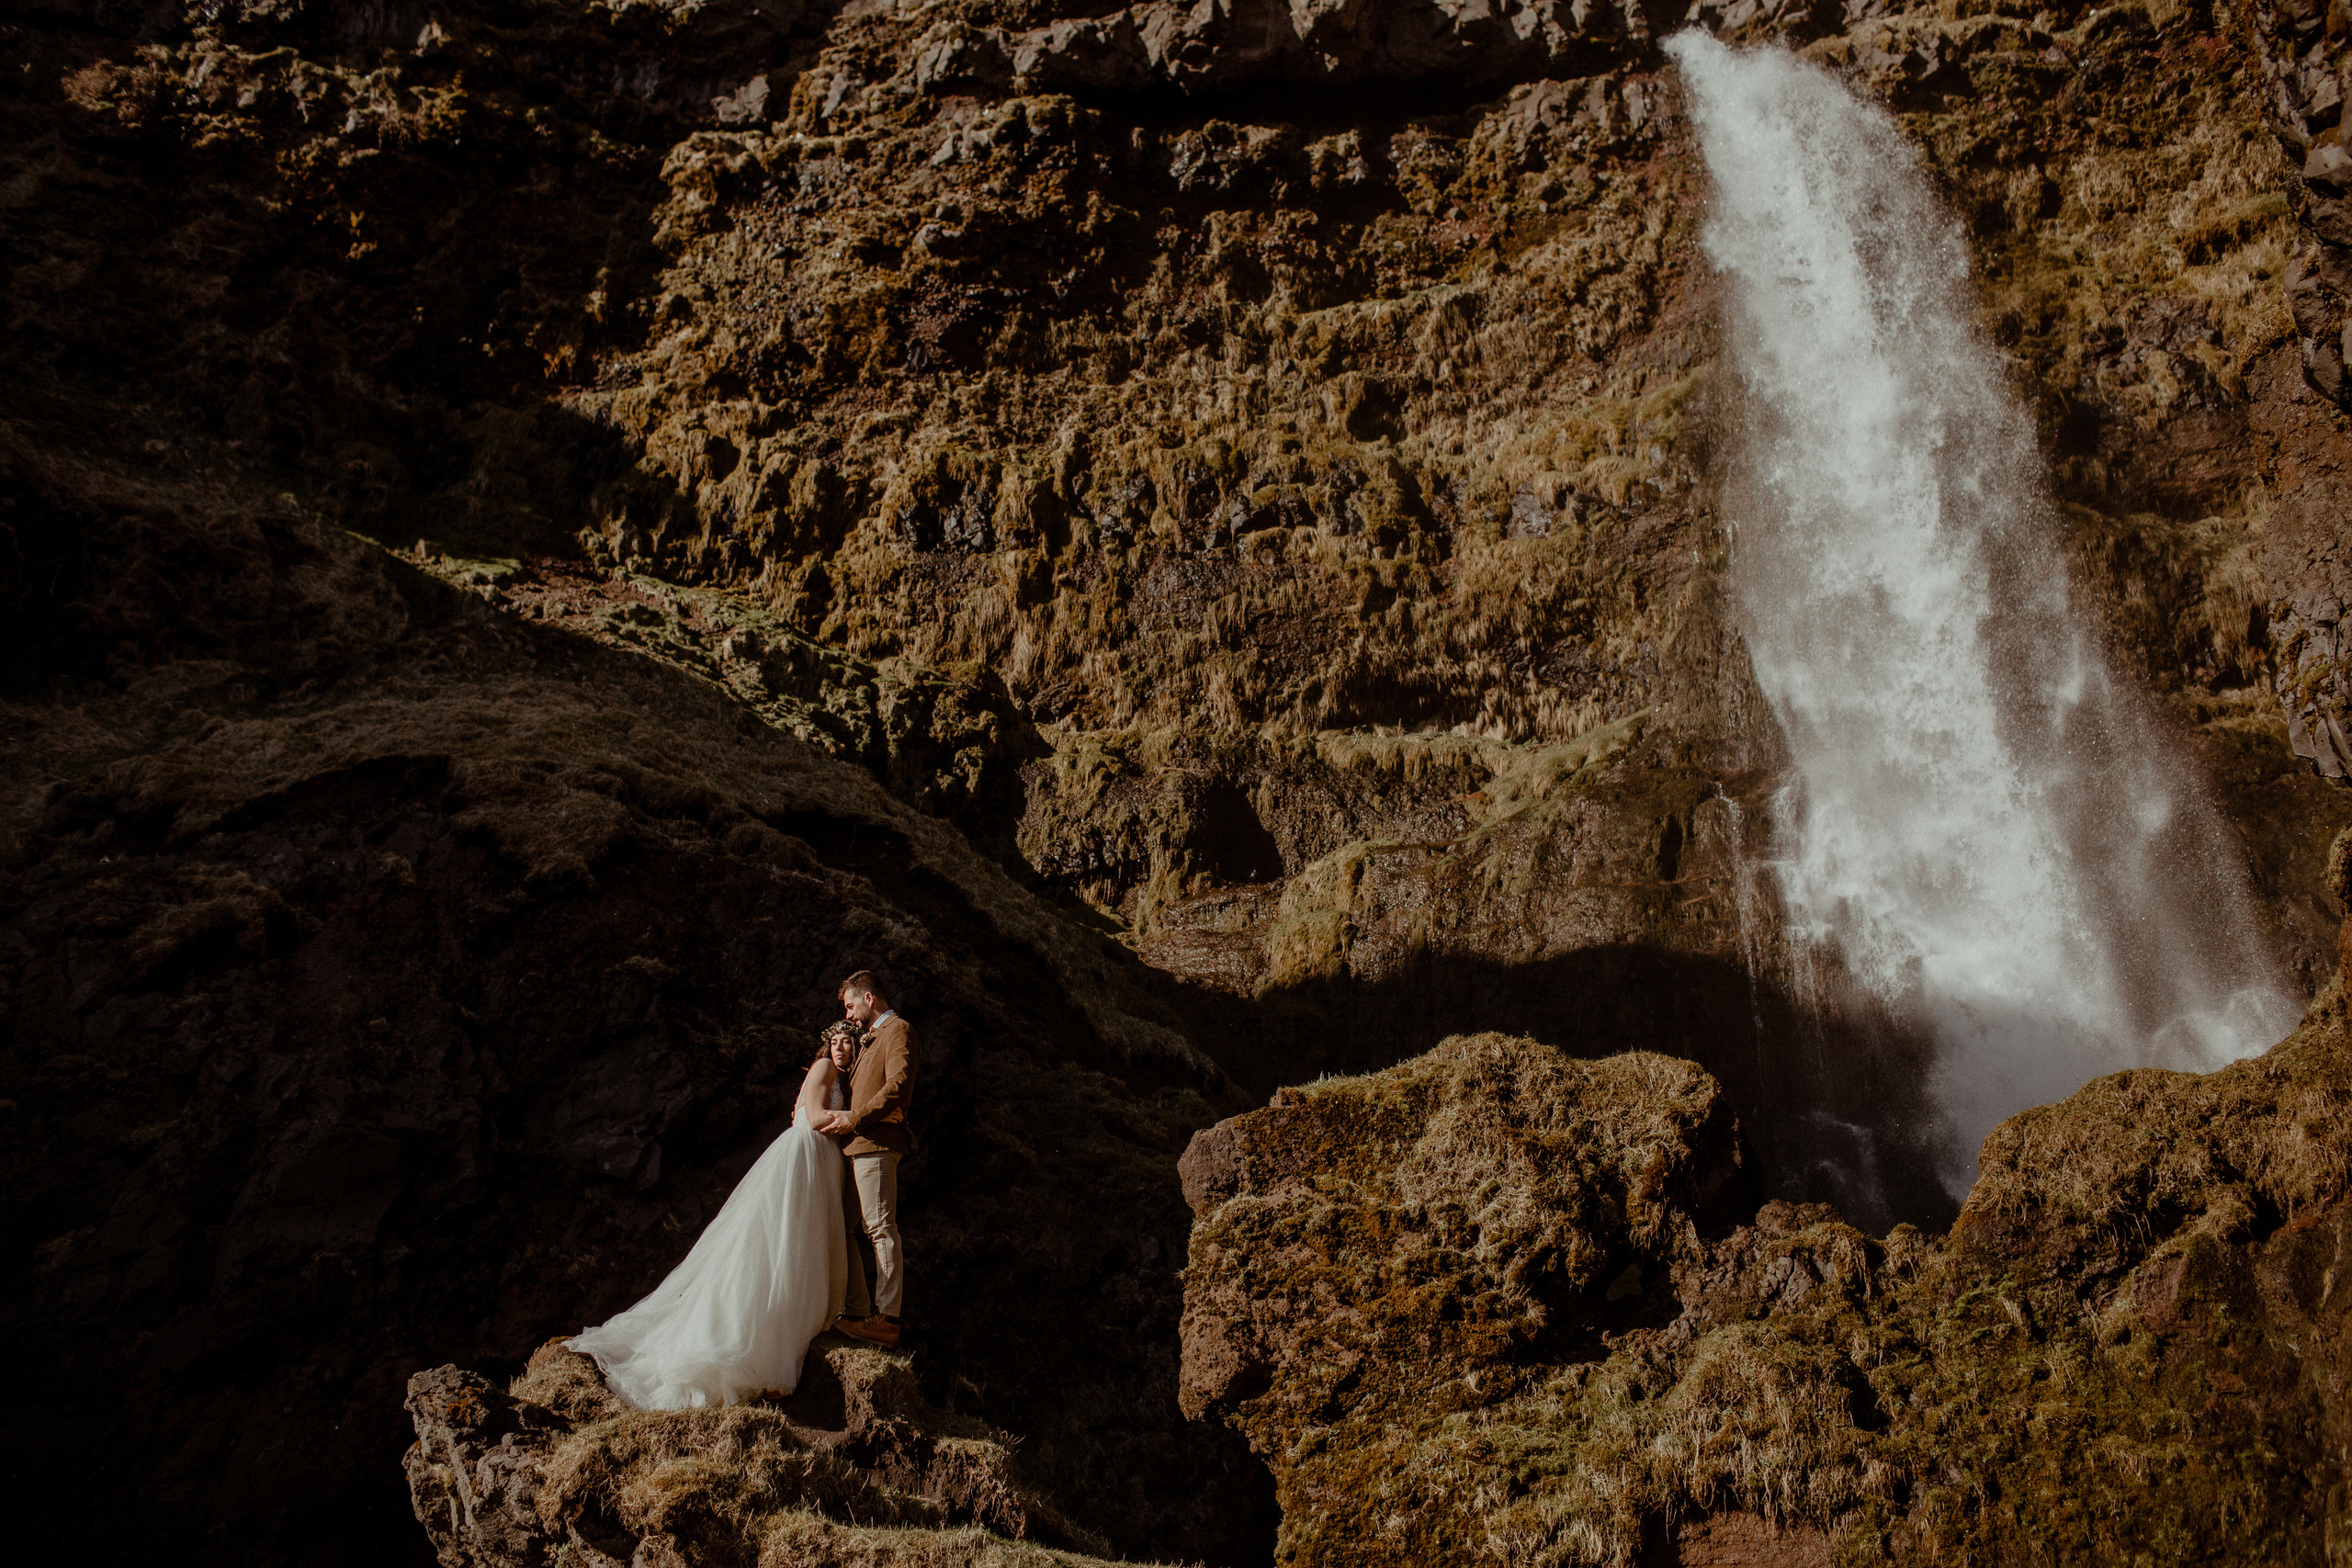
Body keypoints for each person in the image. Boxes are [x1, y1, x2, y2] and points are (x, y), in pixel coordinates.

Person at [565, 1023, 863, 1408]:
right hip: (805, 1157)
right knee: (788, 1240)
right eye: (836, 1042)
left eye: (848, 1043)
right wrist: (862, 1116)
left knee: (802, 1244)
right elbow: (817, 1116)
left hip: (819, 1159)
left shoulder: (842, 1075)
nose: (840, 1048)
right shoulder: (823, 1067)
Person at [814, 970, 915, 1348]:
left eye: (852, 1006)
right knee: (844, 1226)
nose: (851, 1014)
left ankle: (886, 1318)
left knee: (880, 1228)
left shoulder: (898, 1030)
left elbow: (898, 1085)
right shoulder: (869, 1039)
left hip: (875, 1143)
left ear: (869, 999)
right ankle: (857, 1309)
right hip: (858, 1147)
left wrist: (854, 1118)